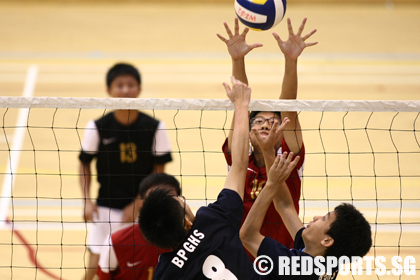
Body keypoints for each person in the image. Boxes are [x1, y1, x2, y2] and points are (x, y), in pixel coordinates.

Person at [139, 76, 298, 279]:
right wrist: (241, 106)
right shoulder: (212, 221)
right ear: (187, 222)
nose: (184, 201)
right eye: (182, 201)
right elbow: (239, 165)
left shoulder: (165, 274)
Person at [217, 17, 317, 252]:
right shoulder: (240, 162)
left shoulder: (289, 160)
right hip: (241, 257)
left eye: (272, 122)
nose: (264, 125)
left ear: (281, 131)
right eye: (258, 121)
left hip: (283, 256)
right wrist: (237, 59)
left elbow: (288, 107)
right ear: (247, 133)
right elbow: (240, 106)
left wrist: (290, 61)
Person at [240, 123, 372, 279]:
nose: (316, 218)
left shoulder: (295, 266)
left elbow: (247, 235)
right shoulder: (322, 259)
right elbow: (285, 206)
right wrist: (268, 152)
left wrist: (270, 186)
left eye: (324, 219)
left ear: (327, 240)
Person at [78, 63, 173, 280]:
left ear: (139, 89)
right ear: (109, 90)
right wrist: (86, 200)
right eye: (119, 85)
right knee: (96, 257)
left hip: (142, 209)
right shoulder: (98, 126)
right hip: (106, 204)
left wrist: (140, 201)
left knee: (141, 259)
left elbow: (159, 168)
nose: (125, 90)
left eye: (130, 85)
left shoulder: (154, 126)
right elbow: (84, 164)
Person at [95, 173, 181, 280]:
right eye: (154, 199)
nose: (161, 205)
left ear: (180, 202)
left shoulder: (189, 240)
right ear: (141, 202)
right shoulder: (116, 242)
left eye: (168, 199)